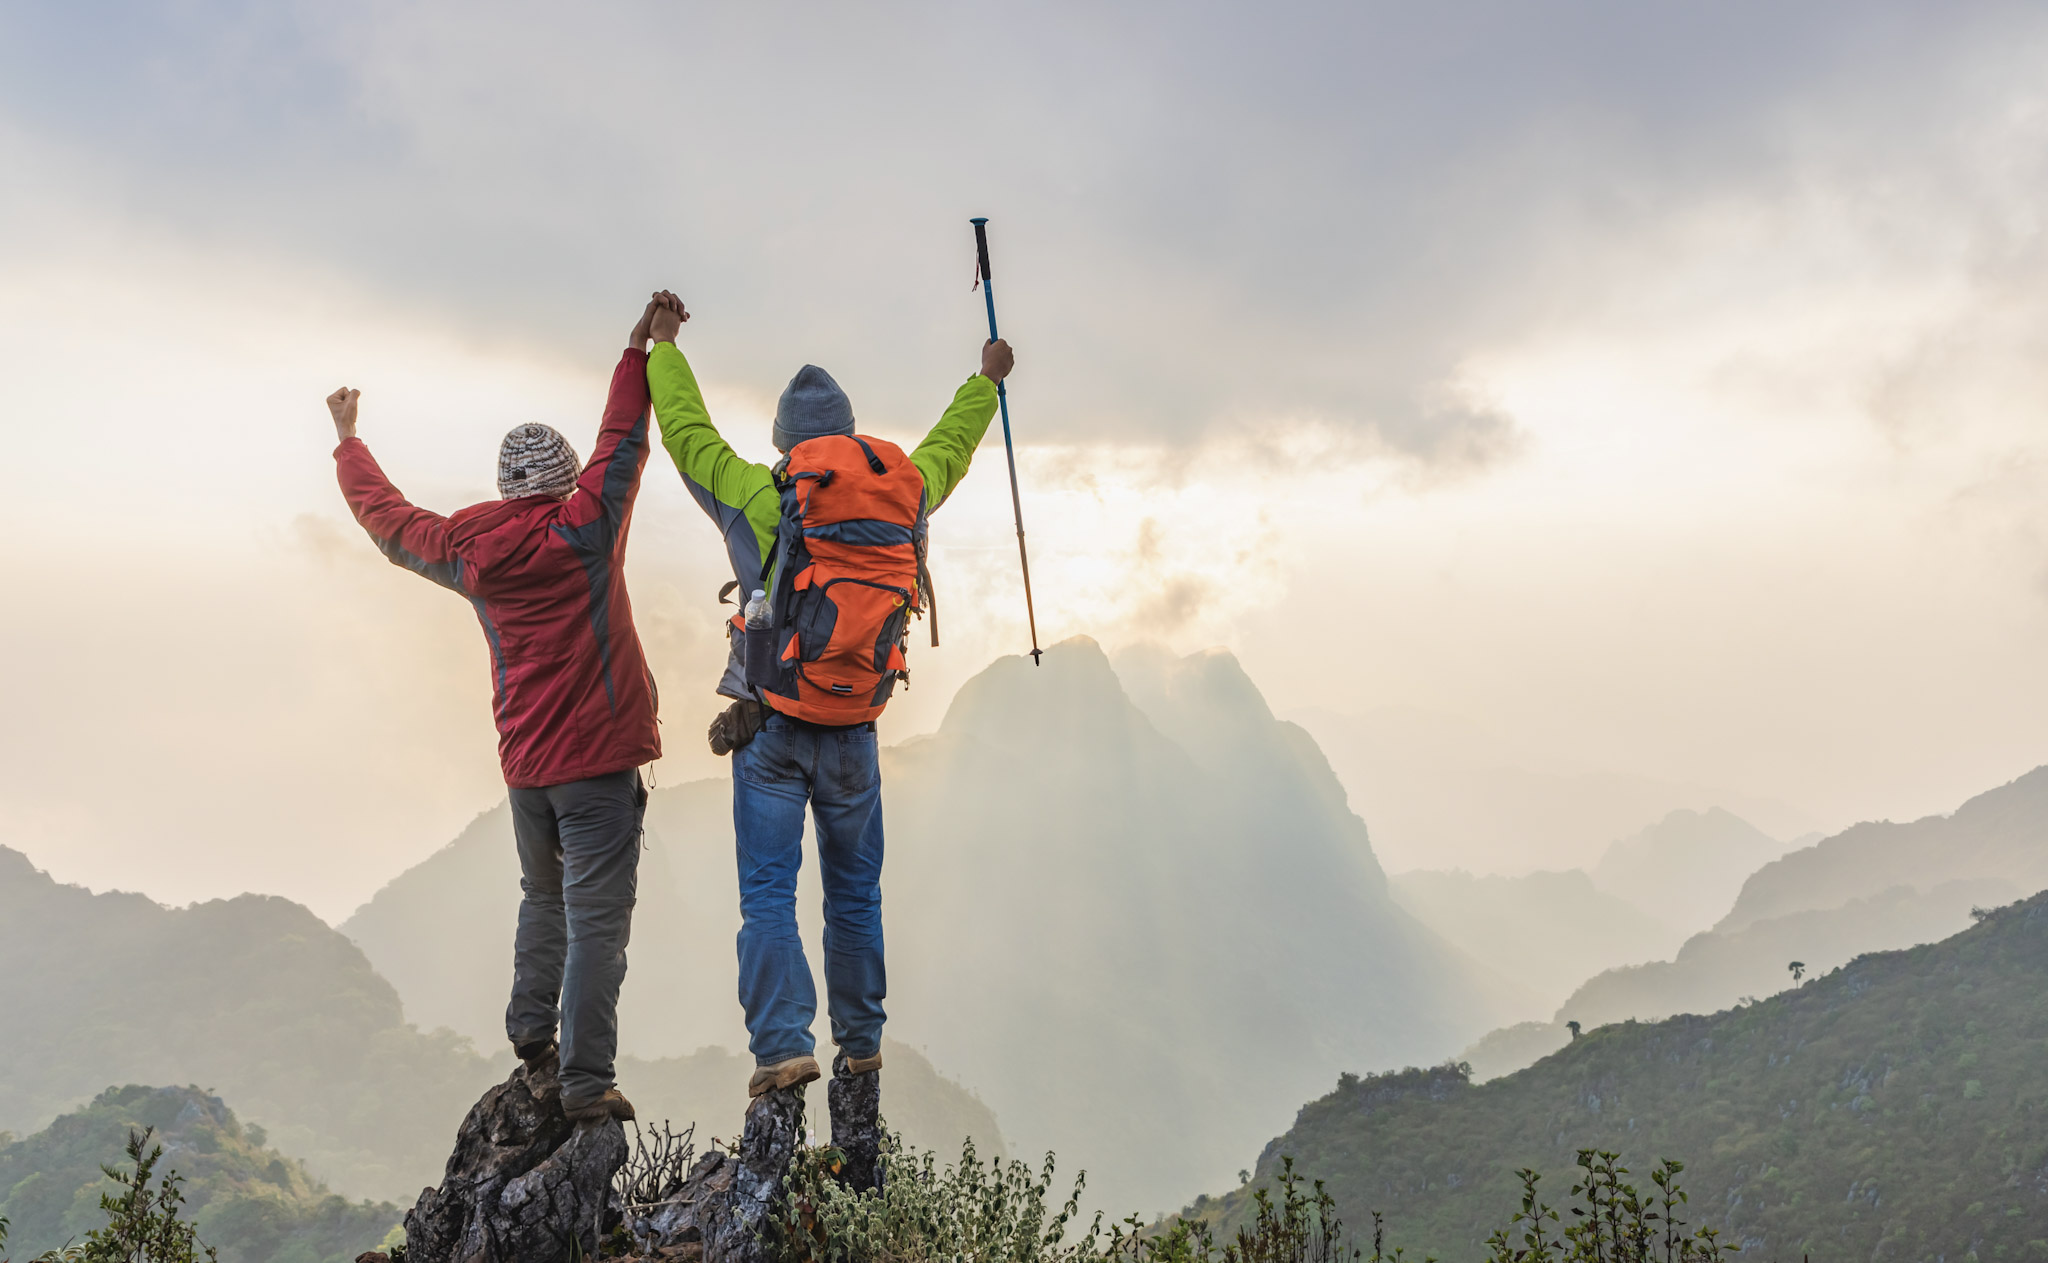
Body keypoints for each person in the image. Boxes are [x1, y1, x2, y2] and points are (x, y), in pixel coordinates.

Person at [642, 290, 1013, 1184]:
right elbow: (952, 442)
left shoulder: (758, 496)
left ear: (785, 446)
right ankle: (862, 1051)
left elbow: (687, 435)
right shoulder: (902, 490)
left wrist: (661, 347)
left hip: (771, 731)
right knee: (856, 899)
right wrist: (988, 380)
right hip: (856, 732)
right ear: (851, 438)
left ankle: (781, 1050)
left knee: (768, 892)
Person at [325, 295, 671, 1124]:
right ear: (563, 482)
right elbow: (620, 443)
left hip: (527, 771)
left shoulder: (466, 551)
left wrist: (347, 443)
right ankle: (587, 1081)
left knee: (541, 897)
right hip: (597, 771)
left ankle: (530, 1037)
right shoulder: (588, 526)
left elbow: (389, 520)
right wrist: (638, 347)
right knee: (597, 923)